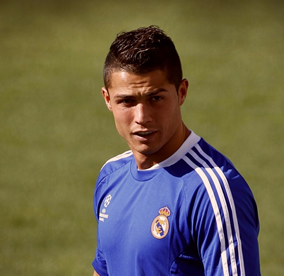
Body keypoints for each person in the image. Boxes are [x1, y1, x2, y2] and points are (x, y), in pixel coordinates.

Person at [92, 26, 261, 276]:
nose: (142, 117)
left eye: (156, 98)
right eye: (127, 101)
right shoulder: (111, 175)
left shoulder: (213, 192)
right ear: (108, 99)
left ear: (181, 92)